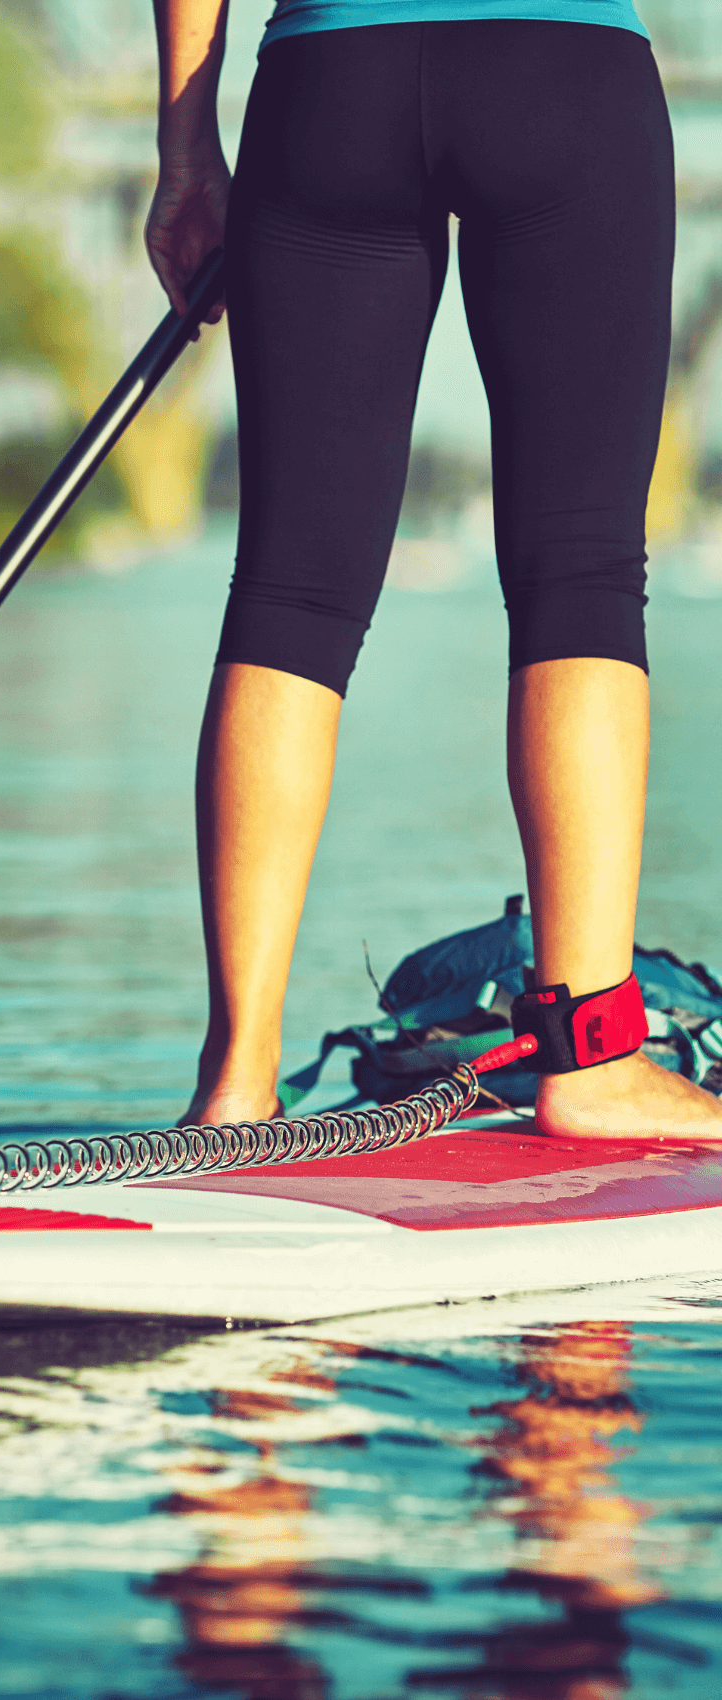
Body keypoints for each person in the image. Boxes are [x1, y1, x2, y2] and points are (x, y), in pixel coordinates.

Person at [146, 0, 722, 1140]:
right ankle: (591, 1063)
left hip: (327, 79)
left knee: (290, 590)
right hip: (564, 65)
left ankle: (236, 1078)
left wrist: (185, 148)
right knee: (582, 575)